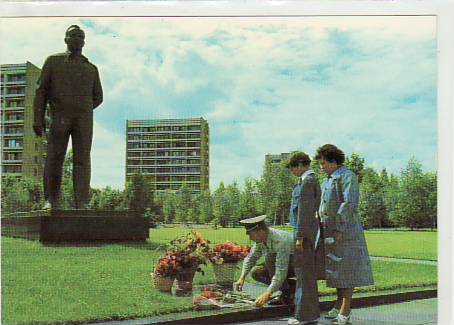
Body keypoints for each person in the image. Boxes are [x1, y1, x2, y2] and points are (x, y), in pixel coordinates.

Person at [33, 25, 103, 209]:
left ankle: (82, 201)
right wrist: (38, 119)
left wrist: (82, 108)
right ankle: (51, 200)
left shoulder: (91, 68)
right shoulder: (53, 62)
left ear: (84, 41)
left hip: (83, 119)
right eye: (73, 35)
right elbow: (40, 92)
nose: (77, 38)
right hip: (60, 116)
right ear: (65, 39)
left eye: (80, 36)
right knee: (55, 157)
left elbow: (98, 97)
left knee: (82, 158)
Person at [315, 144, 374, 325]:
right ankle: (338, 304)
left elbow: (348, 203)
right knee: (337, 271)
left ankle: (345, 310)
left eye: (323, 163)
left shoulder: (347, 176)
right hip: (331, 232)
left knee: (347, 271)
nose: (321, 166)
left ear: (333, 161)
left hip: (345, 232)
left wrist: (340, 228)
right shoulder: (329, 178)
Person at [285, 152, 321, 325]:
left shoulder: (307, 182)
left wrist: (299, 237)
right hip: (307, 232)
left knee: (303, 274)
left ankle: (304, 316)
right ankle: (310, 314)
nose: (292, 171)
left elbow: (304, 213)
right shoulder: (308, 180)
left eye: (292, 167)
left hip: (304, 234)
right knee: (306, 275)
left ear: (300, 164)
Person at [234, 215, 296, 307]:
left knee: (270, 258)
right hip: (283, 265)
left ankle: (287, 294)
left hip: (299, 265)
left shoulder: (281, 240)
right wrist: (242, 277)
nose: (250, 238)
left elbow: (281, 270)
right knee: (256, 272)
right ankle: (292, 287)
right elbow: (251, 258)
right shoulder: (261, 240)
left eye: (251, 234)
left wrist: (267, 293)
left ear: (261, 231)